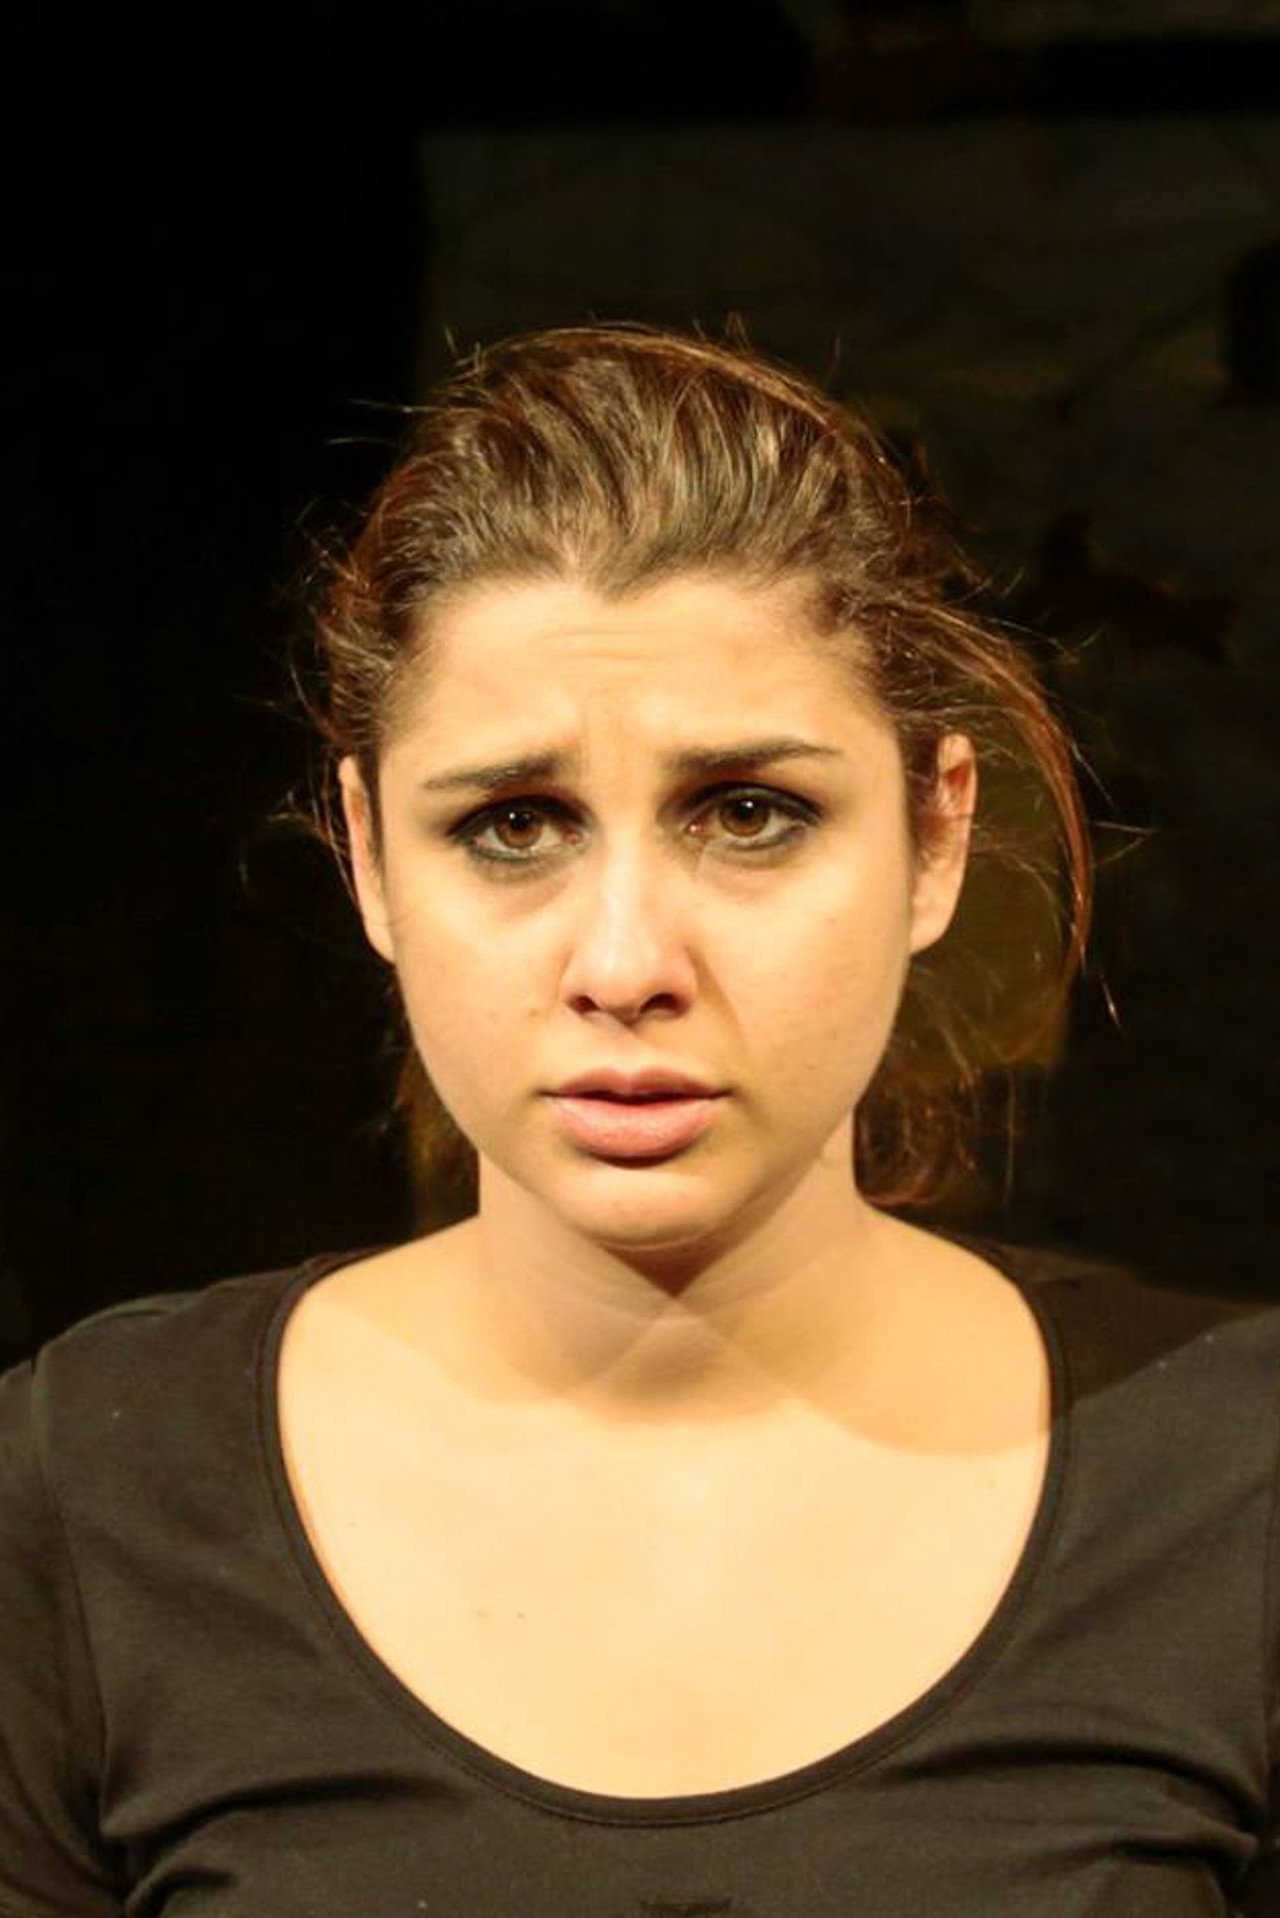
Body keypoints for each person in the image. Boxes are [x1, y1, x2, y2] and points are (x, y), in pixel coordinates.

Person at [1, 323, 1276, 1916]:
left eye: (749, 813)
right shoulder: (99, 1492)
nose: (624, 964)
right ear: (370, 856)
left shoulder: (1236, 1485)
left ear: (937, 836)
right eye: (512, 824)